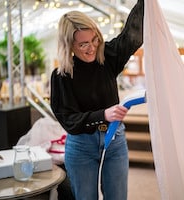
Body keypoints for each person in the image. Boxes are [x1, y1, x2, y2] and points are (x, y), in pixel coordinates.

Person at [50, 0, 144, 199]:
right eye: (83, 44)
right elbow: (68, 119)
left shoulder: (107, 55)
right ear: (69, 45)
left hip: (115, 140)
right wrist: (104, 115)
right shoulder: (61, 76)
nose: (92, 48)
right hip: (81, 146)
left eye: (94, 40)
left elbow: (133, 35)